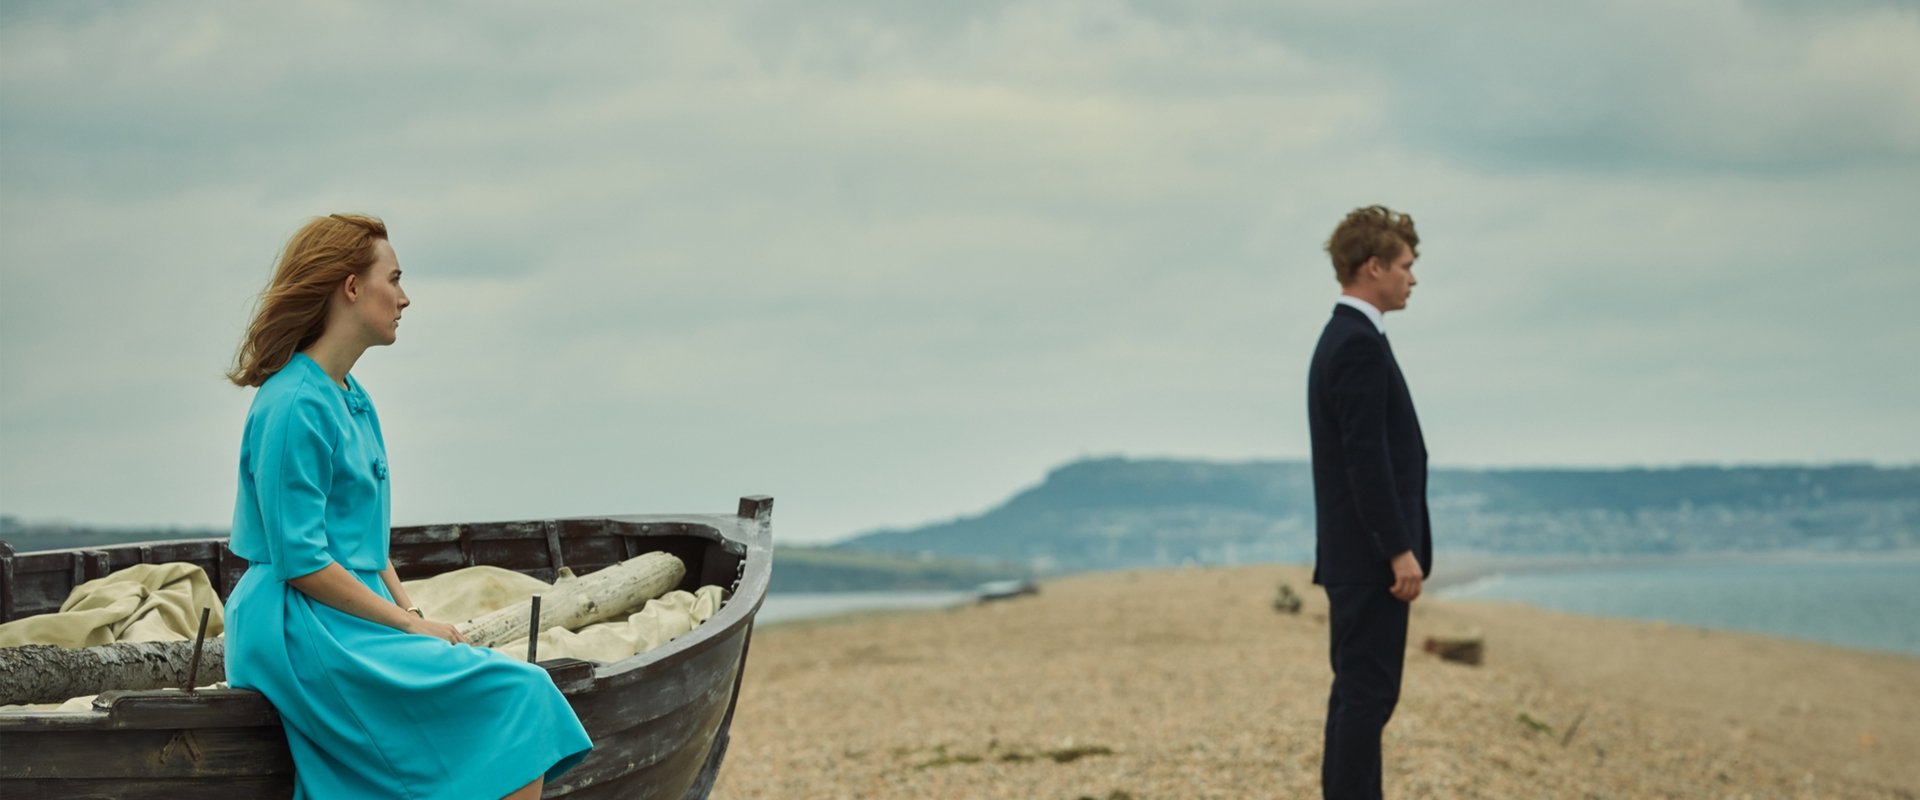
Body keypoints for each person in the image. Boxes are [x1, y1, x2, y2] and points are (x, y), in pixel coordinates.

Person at [222, 214, 593, 800]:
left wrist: (413, 615)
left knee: (504, 694)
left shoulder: (350, 395)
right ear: (350, 287)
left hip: (349, 613)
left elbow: (363, 545)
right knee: (520, 694)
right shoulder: (293, 404)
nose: (405, 297)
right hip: (299, 626)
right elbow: (301, 560)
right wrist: (407, 625)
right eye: (392, 279)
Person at [1306, 205, 1432, 800]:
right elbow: (1366, 463)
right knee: (1368, 695)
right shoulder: (1355, 343)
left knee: (1358, 693)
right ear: (1373, 266)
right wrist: (1398, 550)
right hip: (1369, 561)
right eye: (1406, 266)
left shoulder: (1352, 337)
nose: (1412, 278)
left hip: (1358, 558)